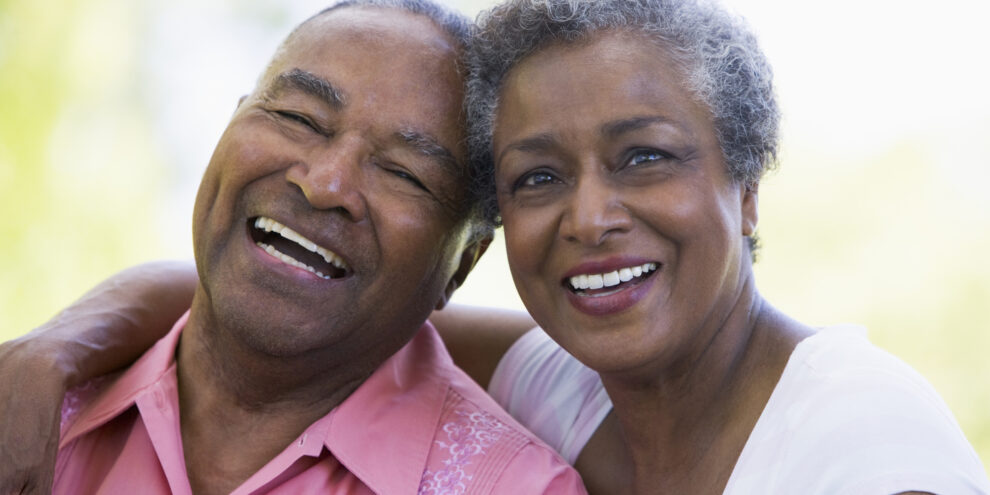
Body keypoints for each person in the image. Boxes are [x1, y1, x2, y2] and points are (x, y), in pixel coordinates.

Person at [3, 0, 989, 494]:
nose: (588, 217)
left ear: (747, 191)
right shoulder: (560, 384)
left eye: (643, 157)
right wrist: (55, 349)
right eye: (538, 177)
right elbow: (289, 296)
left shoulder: (862, 440)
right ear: (491, 242)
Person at [0, 1, 587, 494]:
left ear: (461, 263)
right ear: (230, 125)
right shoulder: (33, 411)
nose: (326, 183)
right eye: (297, 117)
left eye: (405, 173)